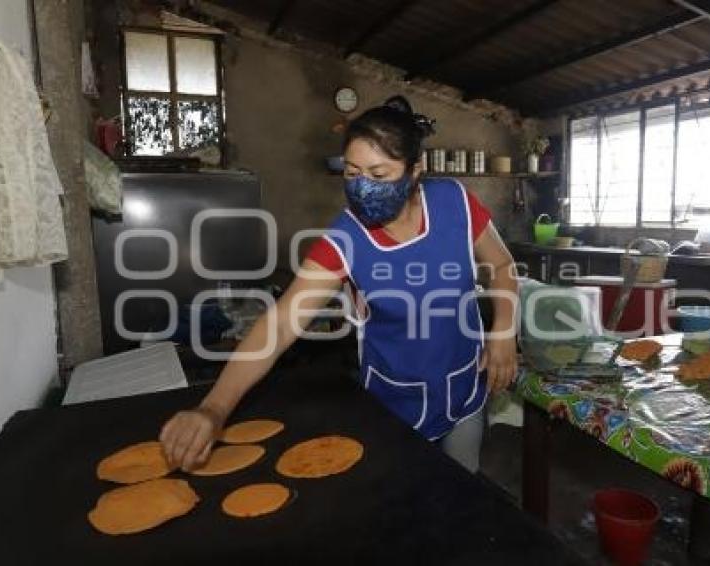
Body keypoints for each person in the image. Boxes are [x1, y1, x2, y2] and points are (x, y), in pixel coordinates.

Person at [160, 96, 518, 473]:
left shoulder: (454, 202)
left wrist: (504, 330)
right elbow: (281, 324)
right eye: (351, 173)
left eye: (378, 175)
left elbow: (502, 264)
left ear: (415, 171)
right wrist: (214, 408)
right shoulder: (345, 239)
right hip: (396, 402)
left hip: (464, 388)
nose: (363, 187)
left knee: (464, 490)